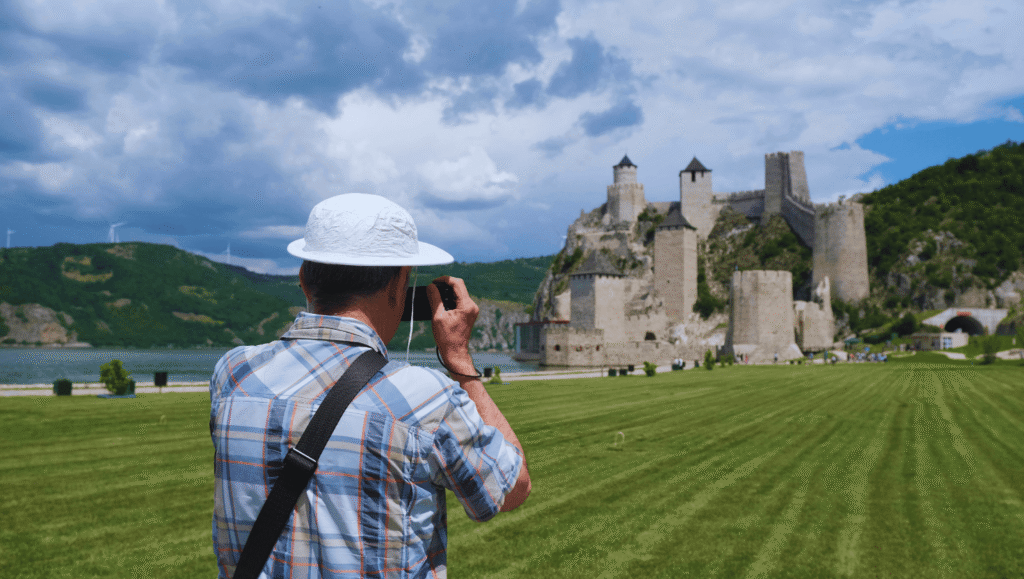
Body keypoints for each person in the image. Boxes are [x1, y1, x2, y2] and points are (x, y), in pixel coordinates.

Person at [209, 193, 531, 578]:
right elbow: (512, 487)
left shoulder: (233, 374)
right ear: (399, 283)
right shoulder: (424, 400)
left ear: (303, 279)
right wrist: (460, 361)